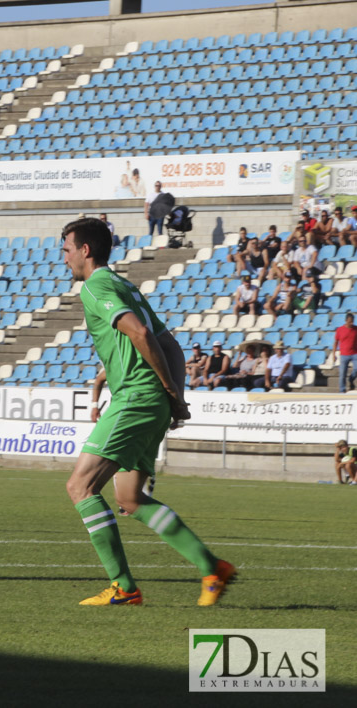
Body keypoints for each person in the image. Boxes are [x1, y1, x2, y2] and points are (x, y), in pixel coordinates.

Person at [60, 217, 235, 607]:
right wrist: (175, 395)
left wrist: (171, 390)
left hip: (136, 398)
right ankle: (212, 568)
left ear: (85, 250)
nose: (65, 257)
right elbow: (170, 344)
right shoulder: (125, 285)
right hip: (151, 399)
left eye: (67, 249)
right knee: (131, 498)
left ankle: (124, 588)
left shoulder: (96, 286)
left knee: (80, 487)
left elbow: (139, 334)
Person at [334, 313, 357, 393]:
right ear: (346, 321)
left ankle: (351, 379)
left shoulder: (355, 329)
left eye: (352, 322)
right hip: (344, 354)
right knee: (342, 374)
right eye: (350, 322)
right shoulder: (340, 330)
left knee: (356, 369)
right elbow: (336, 342)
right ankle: (342, 391)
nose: (351, 323)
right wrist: (334, 354)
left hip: (354, 353)